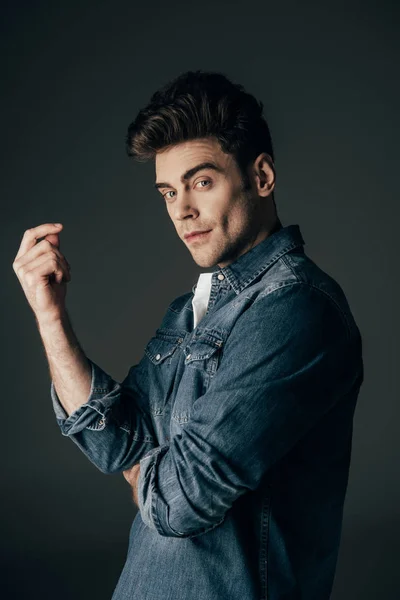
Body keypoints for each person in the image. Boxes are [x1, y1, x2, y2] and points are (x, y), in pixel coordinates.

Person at [13, 69, 364, 600]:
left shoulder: (297, 309)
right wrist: (50, 315)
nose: (181, 210)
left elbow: (179, 501)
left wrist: (149, 470)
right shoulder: (192, 309)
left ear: (262, 176)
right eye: (167, 192)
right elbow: (113, 439)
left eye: (202, 182)